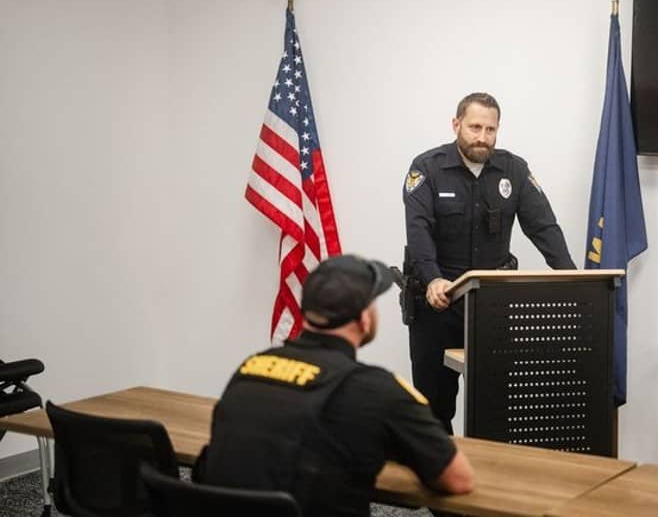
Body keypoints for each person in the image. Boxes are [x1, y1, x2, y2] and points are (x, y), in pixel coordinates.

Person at [200, 254, 474, 517]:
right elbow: (458, 479)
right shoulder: (377, 391)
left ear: (307, 312)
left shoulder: (250, 369)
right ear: (364, 319)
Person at [402, 92, 576, 433]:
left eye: (490, 129)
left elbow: (543, 228)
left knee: (497, 405)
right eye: (475, 127)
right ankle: (442, 477)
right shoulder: (427, 168)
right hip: (439, 302)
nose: (482, 137)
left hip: (491, 305)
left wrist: (572, 276)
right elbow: (418, 229)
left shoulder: (513, 169)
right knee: (434, 409)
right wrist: (433, 278)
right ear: (456, 125)